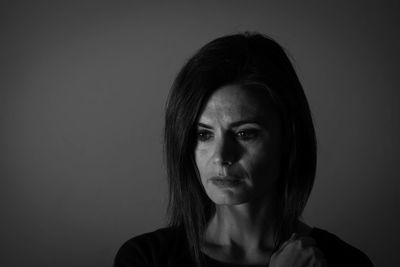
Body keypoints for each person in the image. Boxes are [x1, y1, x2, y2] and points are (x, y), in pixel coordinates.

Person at [113, 32, 374, 267]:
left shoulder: (343, 262)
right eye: (203, 134)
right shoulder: (146, 258)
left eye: (244, 133)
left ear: (288, 138)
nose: (222, 156)